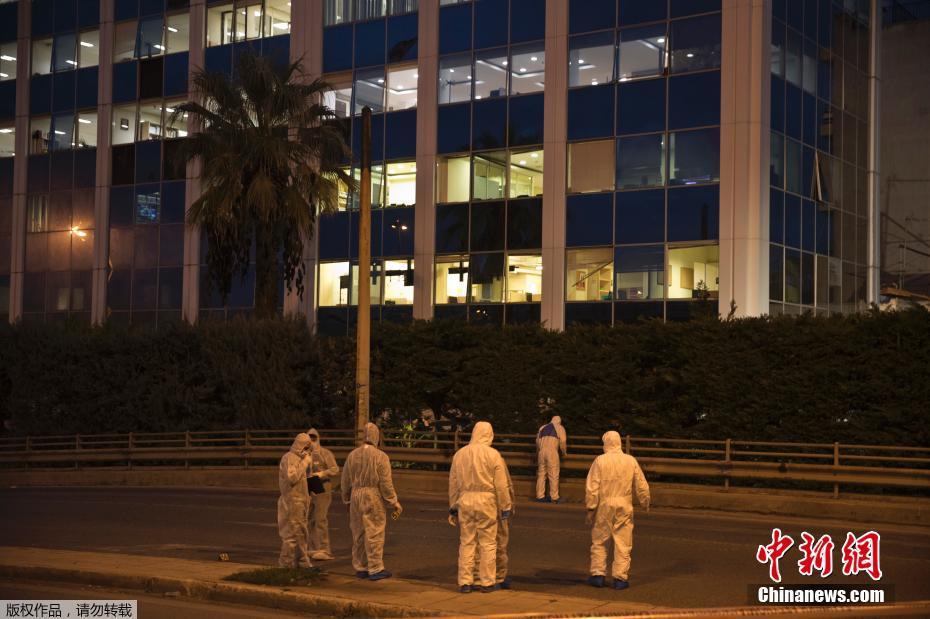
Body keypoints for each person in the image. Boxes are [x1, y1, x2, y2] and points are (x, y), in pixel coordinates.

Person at [448, 421, 513, 593]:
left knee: (467, 542)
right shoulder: (493, 455)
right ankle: (486, 581)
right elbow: (501, 485)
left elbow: (454, 484)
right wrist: (505, 507)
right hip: (487, 501)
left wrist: (453, 507)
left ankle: (465, 581)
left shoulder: (460, 454)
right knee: (488, 543)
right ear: (489, 435)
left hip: (465, 500)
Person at [585, 430, 650, 590]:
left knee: (600, 540)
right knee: (623, 542)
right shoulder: (630, 460)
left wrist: (590, 508)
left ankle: (598, 575)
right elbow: (641, 484)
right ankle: (620, 578)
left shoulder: (600, 461)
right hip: (624, 504)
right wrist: (645, 501)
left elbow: (592, 486)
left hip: (605, 505)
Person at [341, 422, 403, 580]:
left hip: (356, 495)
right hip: (372, 494)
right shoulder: (380, 456)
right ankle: (375, 568)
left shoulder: (352, 455)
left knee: (358, 532)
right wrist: (393, 501)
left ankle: (361, 566)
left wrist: (346, 499)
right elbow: (385, 482)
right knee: (374, 531)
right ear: (377, 437)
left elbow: (345, 480)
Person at [470, 463, 515, 590]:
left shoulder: (465, 457)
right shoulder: (495, 458)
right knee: (498, 542)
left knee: (475, 542)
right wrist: (508, 506)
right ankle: (498, 576)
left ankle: (476, 577)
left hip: (472, 503)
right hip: (494, 504)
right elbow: (504, 486)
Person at [277, 432, 314, 569]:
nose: (308, 450)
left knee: (302, 534)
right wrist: (304, 463)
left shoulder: (300, 459)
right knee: (292, 535)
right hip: (292, 502)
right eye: (307, 446)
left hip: (301, 501)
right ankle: (285, 565)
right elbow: (292, 478)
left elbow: (304, 480)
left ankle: (303, 563)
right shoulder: (289, 458)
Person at [306, 427, 340, 561]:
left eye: (314, 438)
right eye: (310, 438)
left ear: (318, 438)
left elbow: (335, 469)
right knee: (309, 519)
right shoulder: (305, 454)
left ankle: (325, 549)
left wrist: (322, 473)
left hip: (323, 485)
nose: (312, 441)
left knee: (320, 518)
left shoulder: (325, 453)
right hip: (309, 485)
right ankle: (313, 547)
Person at [535, 411, 567, 503]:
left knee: (541, 474)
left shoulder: (542, 428)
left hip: (541, 452)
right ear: (559, 422)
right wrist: (564, 452)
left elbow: (537, 441)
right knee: (553, 474)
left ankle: (540, 496)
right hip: (552, 452)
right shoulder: (560, 428)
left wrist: (538, 452)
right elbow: (563, 441)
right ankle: (554, 497)